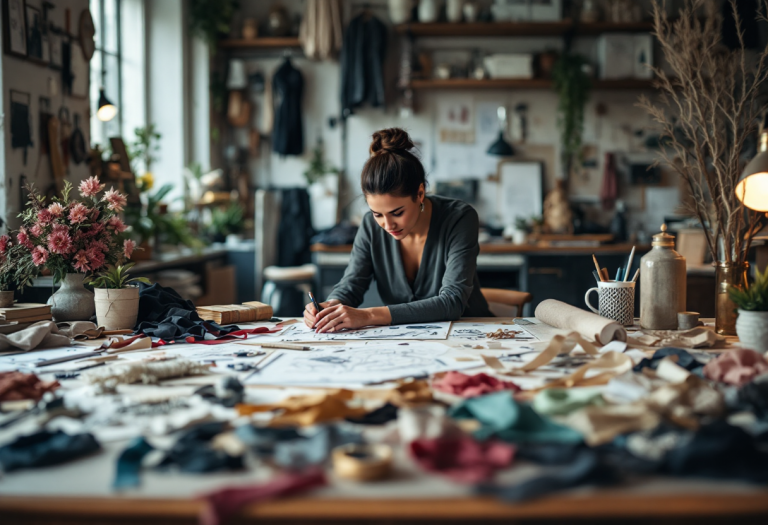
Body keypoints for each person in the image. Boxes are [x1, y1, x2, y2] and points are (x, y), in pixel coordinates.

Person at [304, 127, 492, 333]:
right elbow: (353, 283)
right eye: (377, 214)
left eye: (397, 212)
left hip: (469, 335)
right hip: (406, 340)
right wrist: (331, 306)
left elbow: (452, 302)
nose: (387, 225)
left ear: (420, 193)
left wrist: (367, 315)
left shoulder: (459, 218)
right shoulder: (369, 225)